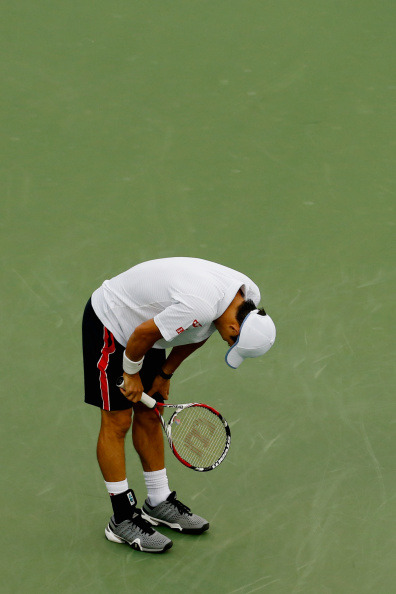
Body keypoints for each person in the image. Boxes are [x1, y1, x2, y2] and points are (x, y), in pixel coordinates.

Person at [82, 257, 276, 553]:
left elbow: (200, 332)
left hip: (151, 327)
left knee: (150, 412)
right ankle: (121, 518)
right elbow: (142, 334)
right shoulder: (199, 306)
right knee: (117, 421)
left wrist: (164, 373)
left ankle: (158, 502)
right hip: (114, 321)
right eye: (231, 342)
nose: (227, 342)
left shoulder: (245, 297)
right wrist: (131, 373)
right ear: (236, 327)